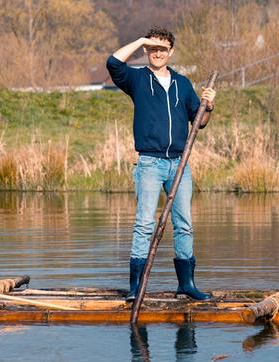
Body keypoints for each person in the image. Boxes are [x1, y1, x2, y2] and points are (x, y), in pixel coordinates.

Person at [106, 26, 216, 301]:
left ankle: (186, 285)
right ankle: (135, 288)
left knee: (184, 224)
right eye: (152, 48)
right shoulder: (137, 79)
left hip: (179, 165)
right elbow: (113, 62)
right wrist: (142, 39)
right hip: (150, 164)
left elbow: (199, 121)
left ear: (171, 52)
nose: (157, 53)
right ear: (146, 50)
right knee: (144, 224)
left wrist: (209, 107)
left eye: (162, 49)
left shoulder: (182, 83)